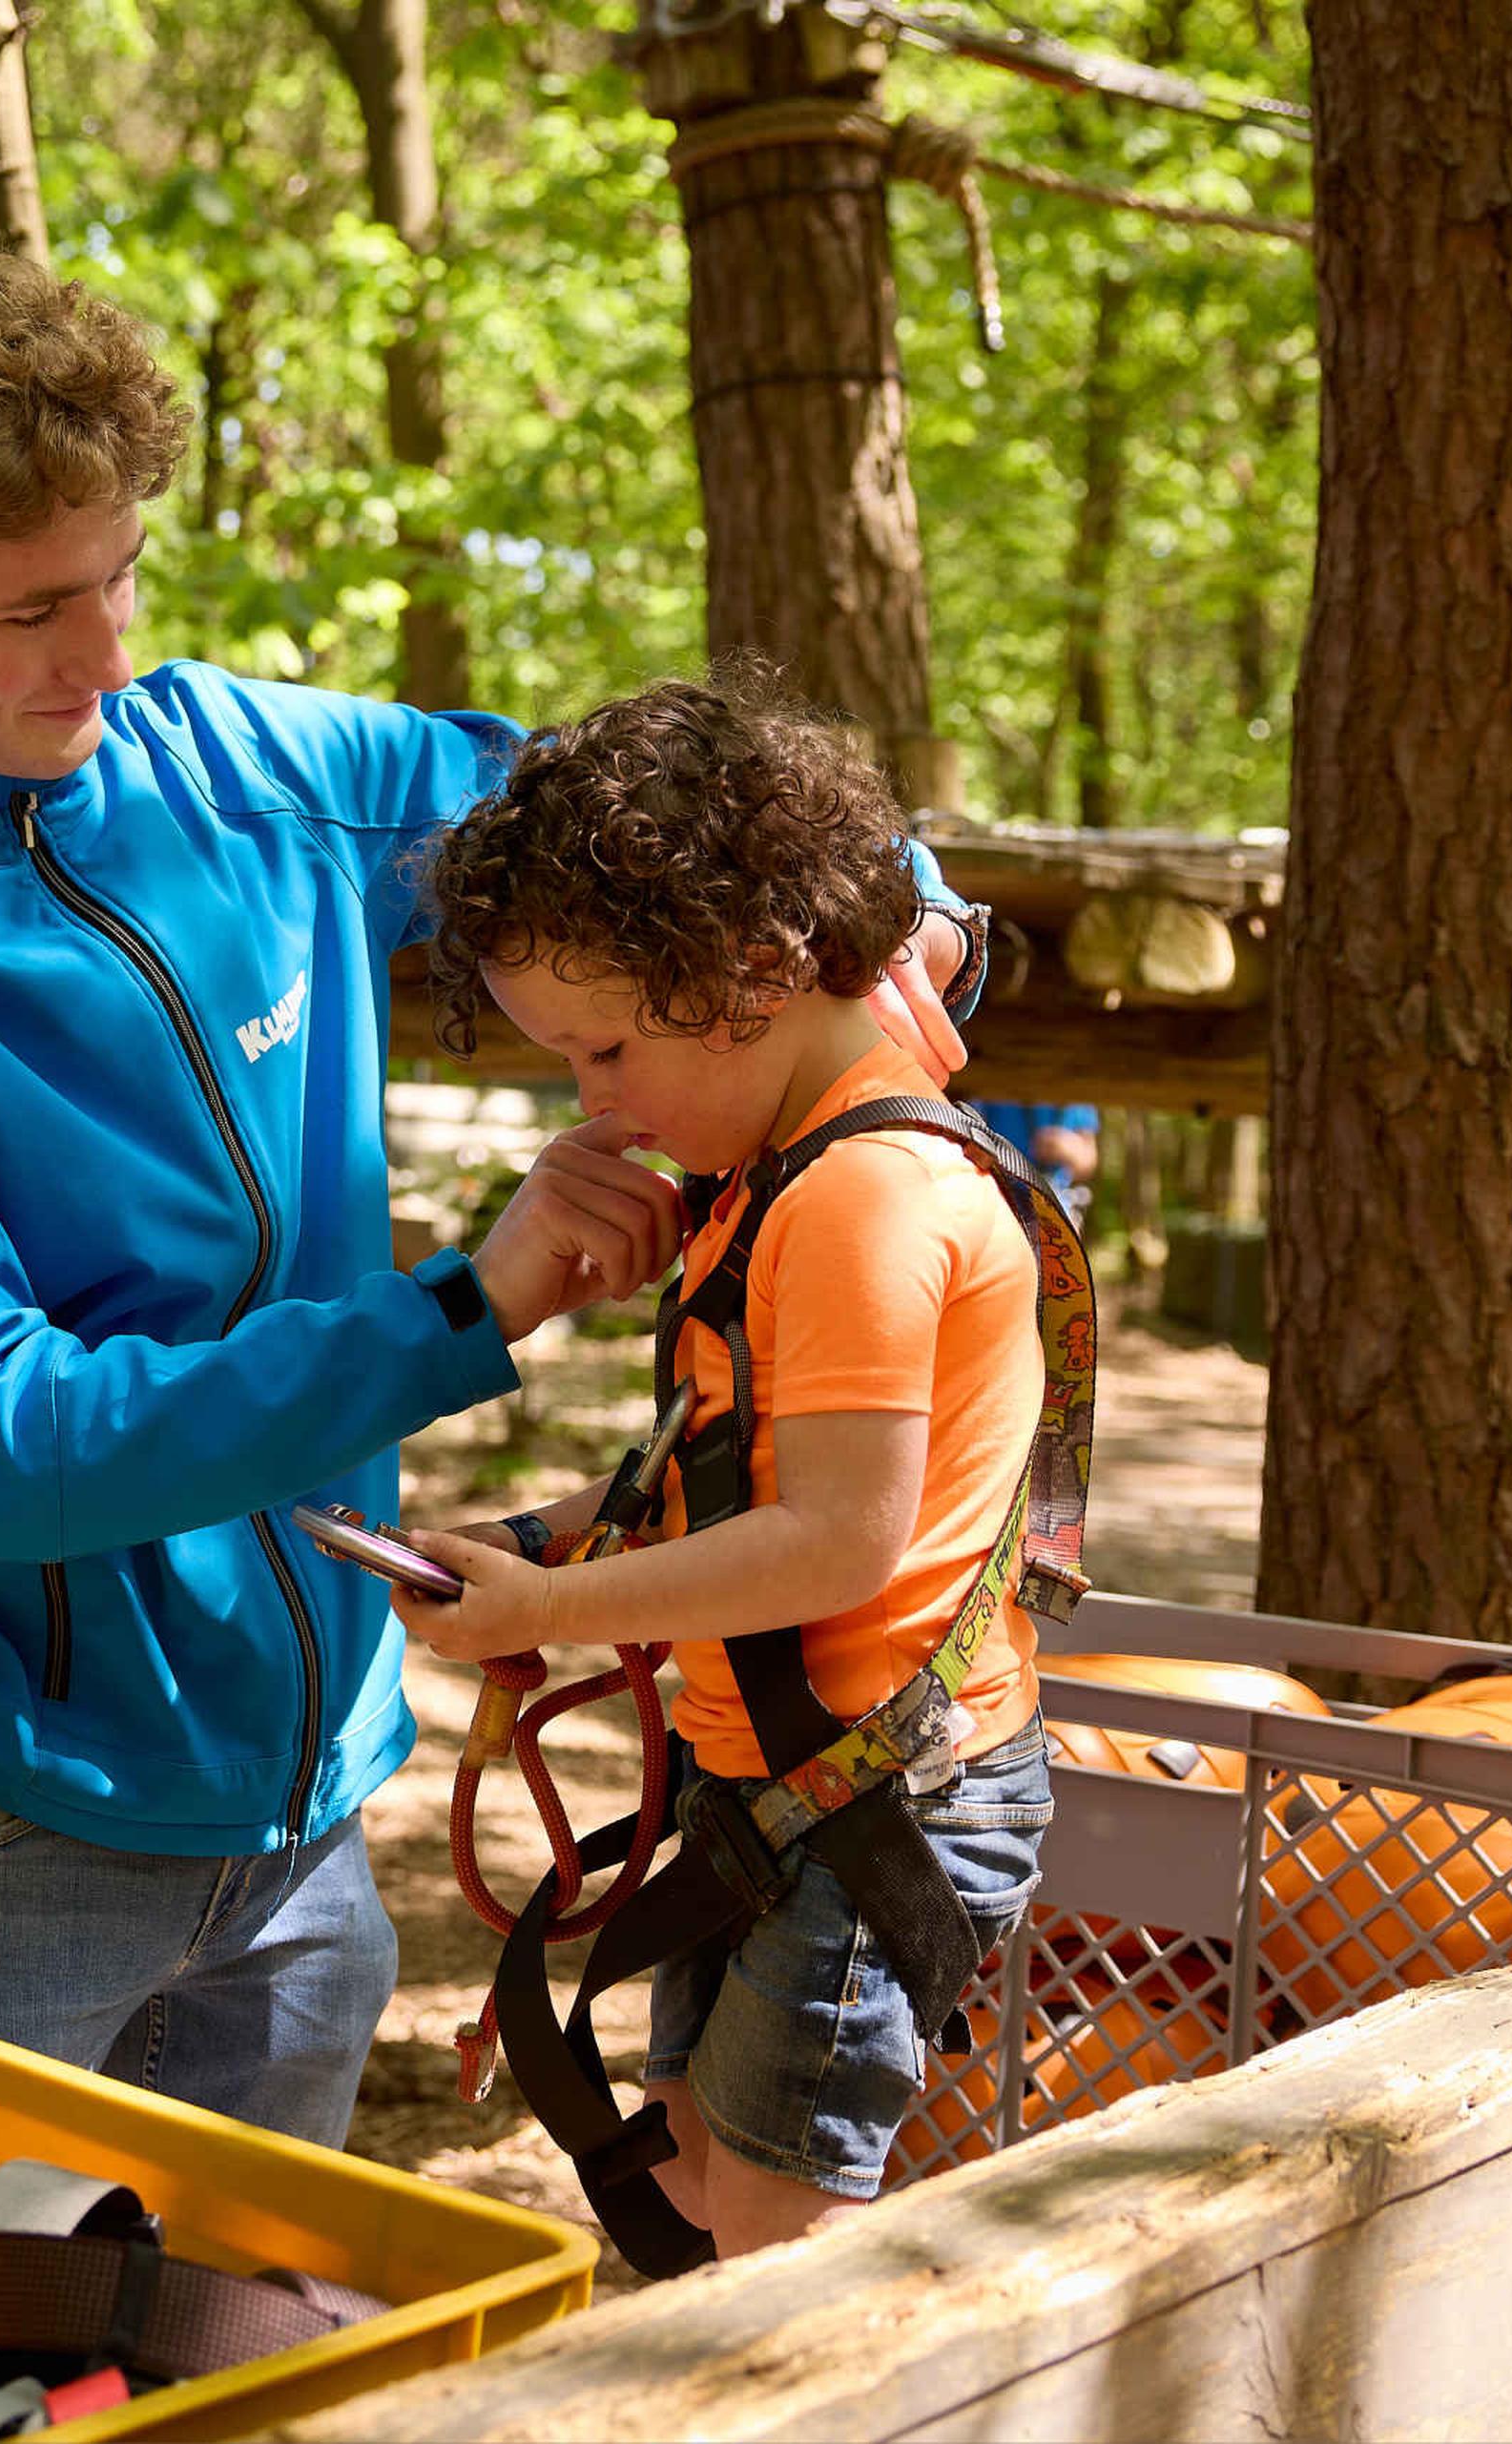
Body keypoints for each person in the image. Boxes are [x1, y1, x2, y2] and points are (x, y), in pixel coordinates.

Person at [0, 241, 987, 2218]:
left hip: (311, 1826)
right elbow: (12, 1447)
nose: (104, 656)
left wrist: (895, 897)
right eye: (34, 610)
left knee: (248, 2371)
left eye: (119, 579)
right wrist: (466, 1306)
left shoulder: (246, 771)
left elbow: (625, 809)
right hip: (13, 1836)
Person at [390, 669, 1061, 2260]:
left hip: (880, 1794)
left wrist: (544, 1614)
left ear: (756, 971)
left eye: (607, 1050)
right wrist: (545, 1544)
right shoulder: (778, 1176)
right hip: (782, 1782)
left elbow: (835, 1541)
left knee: (778, 2241)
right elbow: (733, 1487)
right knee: (694, 2172)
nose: (592, 1102)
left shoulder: (857, 1198)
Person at [968, 1098, 1098, 1229]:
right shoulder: (992, 1087)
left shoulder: (1077, 1093)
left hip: (1054, 1209)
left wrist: (1069, 1147)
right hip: (998, 1203)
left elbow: (1088, 1159)